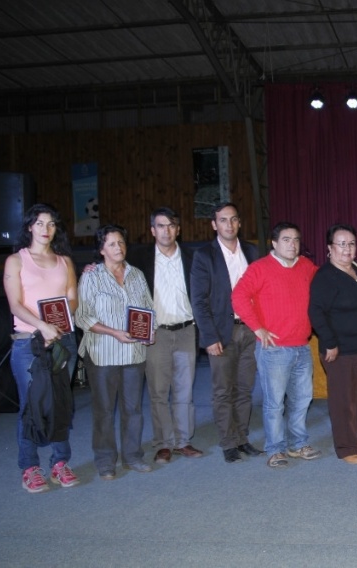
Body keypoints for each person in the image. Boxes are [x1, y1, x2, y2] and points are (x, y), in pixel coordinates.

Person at [231, 222, 322, 469]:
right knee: (275, 403)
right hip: (274, 349)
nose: (292, 244)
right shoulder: (260, 268)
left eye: (295, 239)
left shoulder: (306, 267)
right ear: (274, 242)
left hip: (302, 346)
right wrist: (257, 327)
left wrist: (354, 269)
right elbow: (238, 296)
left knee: (302, 399)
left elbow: (326, 281)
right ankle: (275, 449)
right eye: (286, 239)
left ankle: (298, 443)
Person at [4, 204, 80, 493]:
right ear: (29, 227)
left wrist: (58, 323)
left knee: (60, 403)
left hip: (63, 340)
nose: (46, 229)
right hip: (28, 342)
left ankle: (60, 462)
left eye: (51, 224)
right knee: (31, 406)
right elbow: (15, 305)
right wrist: (43, 326)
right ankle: (30, 467)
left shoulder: (64, 261)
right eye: (40, 223)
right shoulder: (17, 261)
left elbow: (72, 299)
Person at [75, 224, 155, 479]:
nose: (118, 248)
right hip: (103, 354)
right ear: (101, 250)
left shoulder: (137, 275)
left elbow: (147, 309)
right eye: (111, 244)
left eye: (121, 242)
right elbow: (82, 316)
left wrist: (149, 331)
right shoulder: (91, 277)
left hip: (134, 355)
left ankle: (132, 456)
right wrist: (114, 332)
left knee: (133, 409)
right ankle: (106, 460)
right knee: (104, 410)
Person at [130, 207, 202, 466]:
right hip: (155, 333)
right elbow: (111, 263)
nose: (166, 230)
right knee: (159, 391)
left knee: (184, 390)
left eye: (171, 225)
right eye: (160, 226)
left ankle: (183, 440)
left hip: (186, 330)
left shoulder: (193, 258)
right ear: (152, 230)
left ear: (178, 229)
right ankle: (163, 443)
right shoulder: (139, 258)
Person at [190, 202, 261, 464]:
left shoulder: (252, 251)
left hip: (250, 331)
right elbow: (199, 300)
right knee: (223, 390)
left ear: (239, 223)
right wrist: (208, 337)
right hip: (221, 332)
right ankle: (228, 442)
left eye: (233, 219)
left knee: (245, 389)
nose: (228, 225)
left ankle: (242, 438)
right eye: (223, 220)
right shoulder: (204, 256)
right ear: (214, 224)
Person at [308, 224, 357, 465]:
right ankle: (346, 447)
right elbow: (316, 312)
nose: (347, 249)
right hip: (341, 350)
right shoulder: (325, 276)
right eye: (341, 244)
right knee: (343, 401)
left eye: (351, 243)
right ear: (330, 248)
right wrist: (329, 343)